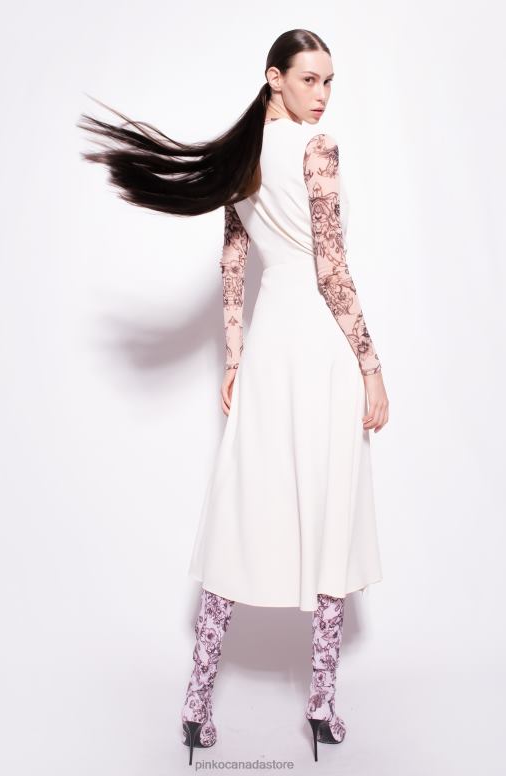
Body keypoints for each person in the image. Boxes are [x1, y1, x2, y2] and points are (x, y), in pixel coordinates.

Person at [77, 28, 389, 766]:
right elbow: (332, 269)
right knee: (329, 507)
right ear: (274, 77)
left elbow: (235, 254)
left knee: (242, 510)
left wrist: (236, 349)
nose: (322, 95)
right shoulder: (317, 149)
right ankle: (321, 707)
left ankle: (196, 705)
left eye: (329, 82)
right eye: (309, 79)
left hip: (272, 348)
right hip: (321, 350)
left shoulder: (245, 154)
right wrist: (372, 366)